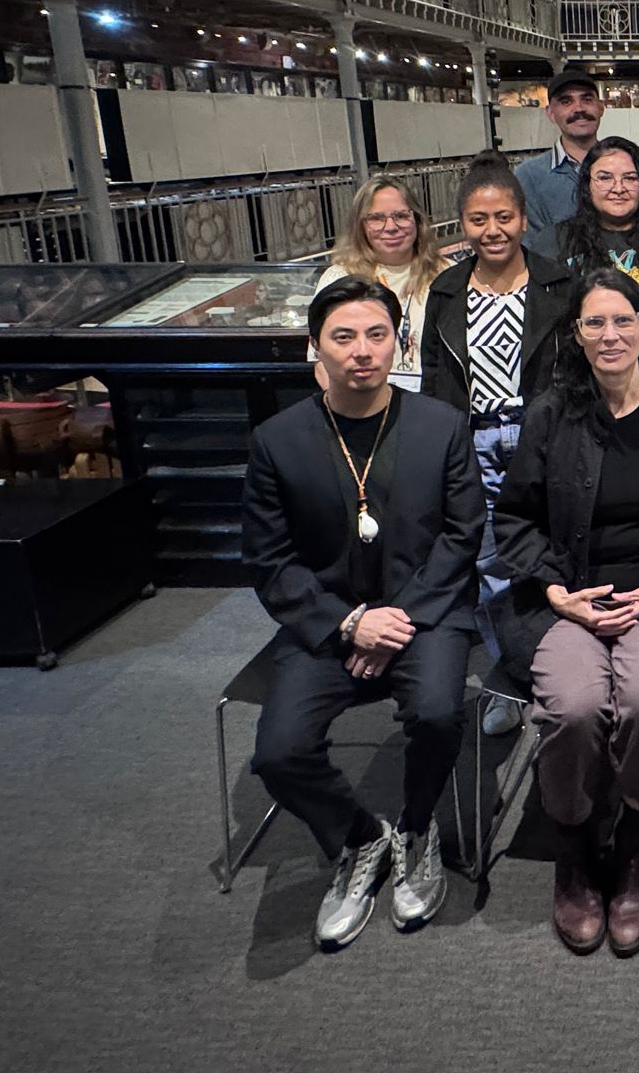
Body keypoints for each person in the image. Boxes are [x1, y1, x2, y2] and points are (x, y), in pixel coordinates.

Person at [488, 269, 639, 957]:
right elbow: (516, 521)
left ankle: (632, 846)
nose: (609, 334)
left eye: (622, 320)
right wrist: (561, 595)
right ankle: (572, 841)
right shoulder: (549, 416)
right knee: (573, 704)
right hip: (568, 596)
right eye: (594, 323)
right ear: (575, 335)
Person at [243, 276, 483, 949]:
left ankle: (416, 824)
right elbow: (269, 561)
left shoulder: (440, 425)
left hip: (425, 613)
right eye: (343, 337)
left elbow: (463, 536)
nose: (362, 352)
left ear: (397, 341)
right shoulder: (278, 441)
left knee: (438, 712)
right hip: (326, 622)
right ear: (315, 347)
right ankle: (360, 837)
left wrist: (393, 621)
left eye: (377, 335)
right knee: (279, 753)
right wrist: (349, 624)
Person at [419, 153, 572, 736]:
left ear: (523, 217)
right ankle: (512, 676)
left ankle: (560, 668)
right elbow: (437, 378)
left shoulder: (557, 283)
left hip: (540, 437)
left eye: (503, 216)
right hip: (473, 440)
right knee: (488, 563)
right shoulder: (447, 290)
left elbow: (573, 370)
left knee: (549, 553)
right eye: (478, 219)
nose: (493, 230)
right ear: (462, 224)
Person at [315, 175, 445, 391]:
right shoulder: (339, 278)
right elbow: (321, 364)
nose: (391, 227)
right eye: (376, 218)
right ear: (360, 225)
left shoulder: (447, 274)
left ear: (418, 220)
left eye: (401, 216)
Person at [545, 135, 639, 284]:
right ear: (588, 185)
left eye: (630, 178)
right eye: (605, 178)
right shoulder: (555, 241)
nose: (618, 188)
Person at [518, 71, 606, 254]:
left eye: (587, 99)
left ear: (601, 108)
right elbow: (532, 246)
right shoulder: (529, 177)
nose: (579, 108)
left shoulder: (626, 167)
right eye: (566, 101)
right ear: (550, 113)